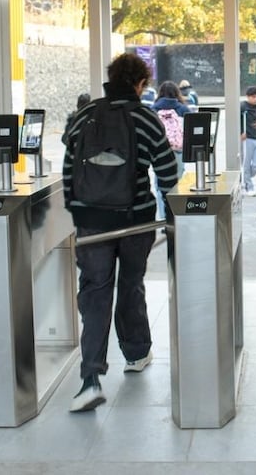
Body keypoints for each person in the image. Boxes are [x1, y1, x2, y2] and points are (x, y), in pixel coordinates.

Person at [61, 52, 180, 413]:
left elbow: (69, 169)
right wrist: (171, 213)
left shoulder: (85, 115)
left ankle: (90, 379)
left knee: (94, 293)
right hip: (135, 221)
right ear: (140, 83)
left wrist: (78, 210)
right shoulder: (145, 118)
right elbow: (167, 172)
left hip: (91, 221)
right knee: (130, 285)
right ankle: (136, 353)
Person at [149, 80, 190, 220]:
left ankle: (163, 219)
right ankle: (177, 217)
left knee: (160, 185)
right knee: (178, 184)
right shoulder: (183, 109)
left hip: (159, 152)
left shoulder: (153, 109)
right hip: (178, 151)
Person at [240, 85, 256, 196]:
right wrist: (241, 132)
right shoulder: (243, 106)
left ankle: (245, 178)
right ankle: (249, 186)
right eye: (253, 97)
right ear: (248, 96)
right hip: (247, 138)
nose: (255, 99)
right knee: (246, 163)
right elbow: (237, 119)